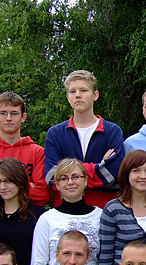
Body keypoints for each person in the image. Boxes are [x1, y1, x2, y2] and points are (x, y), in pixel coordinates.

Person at [43, 70, 124, 208]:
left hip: (104, 211)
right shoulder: (55, 134)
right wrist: (98, 167)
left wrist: (66, 174)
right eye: (72, 91)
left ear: (95, 95)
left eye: (83, 90)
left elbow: (113, 173)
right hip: (64, 211)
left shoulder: (112, 131)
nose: (78, 95)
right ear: (68, 97)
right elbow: (51, 177)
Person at [30, 158, 103, 265]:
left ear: (85, 180)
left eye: (76, 177)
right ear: (57, 185)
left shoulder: (100, 216)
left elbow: (105, 261)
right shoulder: (47, 219)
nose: (70, 182)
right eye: (64, 178)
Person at [0, 91, 50, 207]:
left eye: (14, 113)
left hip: (32, 216)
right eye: (3, 113)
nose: (8, 118)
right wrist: (27, 187)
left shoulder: (38, 152)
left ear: (23, 117)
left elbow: (43, 194)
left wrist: (1, 190)